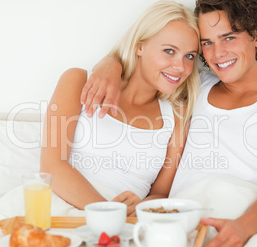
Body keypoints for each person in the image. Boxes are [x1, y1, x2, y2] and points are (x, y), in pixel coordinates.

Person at [80, 0, 257, 247]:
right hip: (183, 216)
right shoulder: (193, 86)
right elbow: (150, 59)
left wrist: (243, 227)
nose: (217, 53)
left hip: (240, 215)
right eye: (207, 42)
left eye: (229, 37)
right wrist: (110, 64)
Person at [40, 0, 201, 216]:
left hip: (122, 224)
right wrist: (108, 212)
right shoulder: (77, 81)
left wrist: (141, 207)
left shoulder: (177, 116)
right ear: (140, 46)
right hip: (58, 206)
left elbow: (161, 193)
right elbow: (51, 167)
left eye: (189, 56)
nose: (181, 67)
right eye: (169, 51)